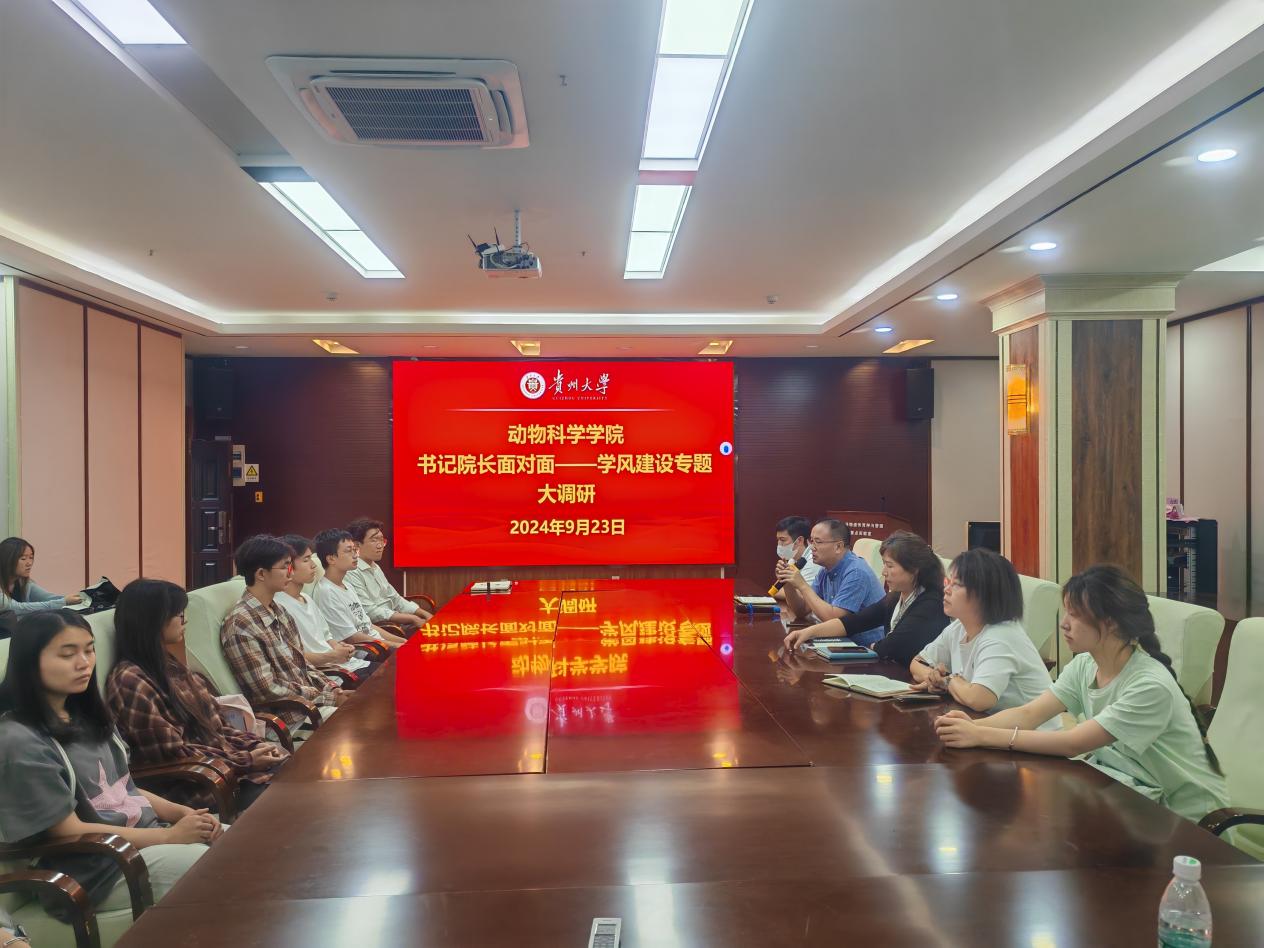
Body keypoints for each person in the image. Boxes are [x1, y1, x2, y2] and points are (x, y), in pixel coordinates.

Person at [935, 565, 1229, 822]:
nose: (1064, 623)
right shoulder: (1086, 665)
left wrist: (979, 735)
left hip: (1183, 821)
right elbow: (1029, 713)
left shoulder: (1150, 685)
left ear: (1110, 622)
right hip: (1128, 797)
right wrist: (969, 727)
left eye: (1074, 615)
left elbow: (1072, 743)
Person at [0, 611, 221, 920]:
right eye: (68, 654)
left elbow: (124, 788)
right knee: (219, 866)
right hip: (96, 871)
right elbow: (67, 830)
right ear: (29, 662)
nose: (84, 663)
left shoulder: (88, 716)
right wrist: (168, 837)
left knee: (239, 840)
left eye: (89, 650)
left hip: (141, 841)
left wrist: (180, 813)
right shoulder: (19, 739)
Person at [107, 578, 289, 813]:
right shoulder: (130, 681)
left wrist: (257, 746)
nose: (185, 620)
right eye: (178, 615)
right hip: (199, 787)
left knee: (299, 771)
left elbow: (218, 728)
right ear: (154, 620)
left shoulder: (170, 666)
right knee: (294, 796)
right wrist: (246, 760)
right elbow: (172, 754)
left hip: (226, 770)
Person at [220, 535, 347, 732]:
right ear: (261, 574)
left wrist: (334, 689)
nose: (290, 571)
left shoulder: (279, 611)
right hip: (293, 719)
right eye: (285, 566)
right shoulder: (241, 624)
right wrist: (328, 698)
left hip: (313, 705)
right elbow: (268, 689)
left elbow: (302, 664)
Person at [909, 548, 1051, 715]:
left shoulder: (1000, 637)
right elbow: (917, 664)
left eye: (957, 585)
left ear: (985, 594)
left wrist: (948, 681)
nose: (946, 590)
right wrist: (934, 677)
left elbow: (979, 700)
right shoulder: (959, 627)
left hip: (1030, 730)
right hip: (987, 723)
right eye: (948, 582)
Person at [784, 531, 949, 664]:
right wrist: (808, 632)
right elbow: (853, 622)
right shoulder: (896, 596)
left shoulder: (931, 604)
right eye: (884, 564)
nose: (884, 572)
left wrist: (873, 647)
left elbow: (889, 648)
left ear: (914, 569)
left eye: (890, 566)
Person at [278, 534, 377, 684]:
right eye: (306, 560)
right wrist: (333, 655)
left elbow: (326, 636)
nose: (313, 565)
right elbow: (293, 658)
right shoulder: (280, 606)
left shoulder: (307, 598)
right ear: (288, 567)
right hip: (332, 676)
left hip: (349, 665)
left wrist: (340, 647)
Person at [776, 519, 886, 645]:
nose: (811, 547)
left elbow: (836, 621)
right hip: (840, 643)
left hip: (865, 649)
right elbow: (802, 611)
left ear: (838, 546)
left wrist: (802, 585)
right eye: (811, 541)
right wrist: (788, 581)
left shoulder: (856, 572)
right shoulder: (825, 570)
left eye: (818, 542)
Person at [312, 529, 406, 650]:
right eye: (348, 551)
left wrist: (402, 641)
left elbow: (368, 626)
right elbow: (352, 637)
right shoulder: (327, 592)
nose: (356, 555)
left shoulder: (347, 585)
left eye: (355, 550)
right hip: (367, 651)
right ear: (331, 559)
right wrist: (397, 645)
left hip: (379, 645)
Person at [344, 517, 431, 630]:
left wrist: (425, 614)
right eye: (374, 540)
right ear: (356, 545)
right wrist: (412, 619)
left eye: (382, 540)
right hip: (382, 628)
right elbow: (369, 611)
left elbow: (395, 598)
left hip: (396, 622)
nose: (380, 545)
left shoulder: (375, 567)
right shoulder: (351, 571)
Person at [0, 537, 83, 618]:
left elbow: (47, 598)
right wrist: (63, 602)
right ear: (7, 560)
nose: (29, 563)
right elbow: (17, 608)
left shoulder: (24, 582)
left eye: (31, 558)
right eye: (23, 558)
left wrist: (81, 598)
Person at [770, 515, 820, 601]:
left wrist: (778, 591)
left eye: (782, 540)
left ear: (799, 540)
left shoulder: (813, 560)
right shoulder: (793, 558)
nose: (779, 544)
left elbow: (802, 596)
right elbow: (774, 590)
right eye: (778, 539)